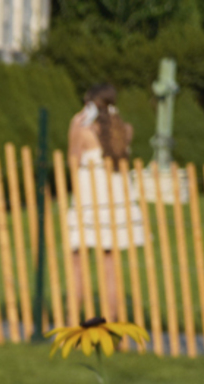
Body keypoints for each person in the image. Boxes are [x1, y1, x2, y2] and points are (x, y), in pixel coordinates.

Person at [66, 83, 145, 321]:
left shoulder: (83, 130)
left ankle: (71, 323)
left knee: (77, 263)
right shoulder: (124, 129)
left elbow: (73, 161)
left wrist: (75, 125)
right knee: (110, 266)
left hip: (89, 202)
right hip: (115, 205)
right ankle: (111, 322)